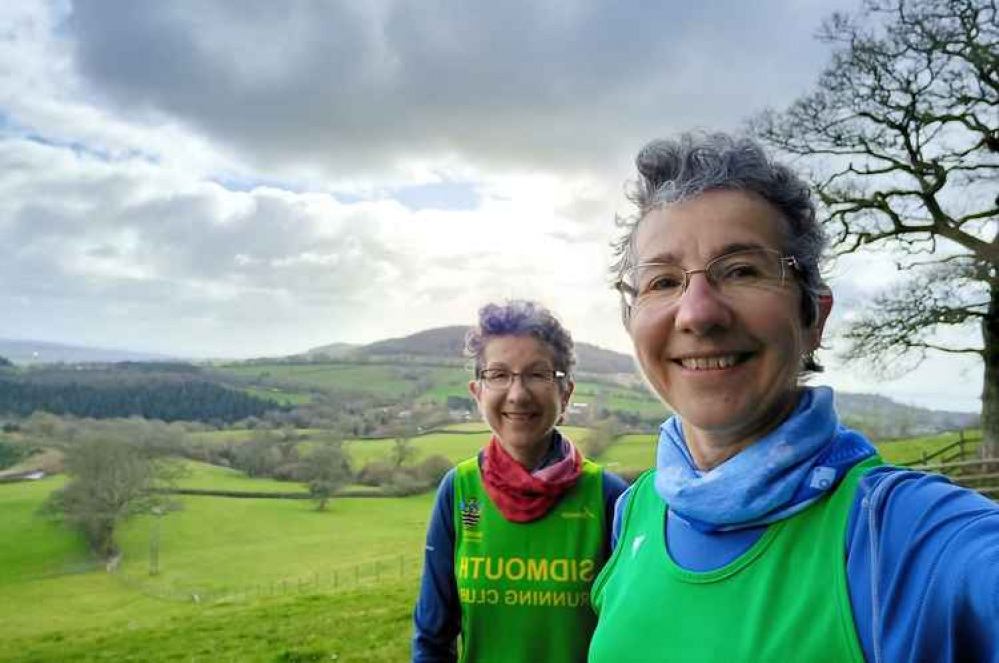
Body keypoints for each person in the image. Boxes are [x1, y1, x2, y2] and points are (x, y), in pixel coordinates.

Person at [587, 133, 999, 663]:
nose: (696, 313)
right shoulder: (636, 510)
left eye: (740, 270)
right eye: (662, 281)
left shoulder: (899, 534)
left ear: (814, 318)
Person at [412, 300, 628, 663]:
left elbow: (629, 638)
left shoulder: (610, 497)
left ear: (566, 392)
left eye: (537, 374)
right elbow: (432, 640)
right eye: (498, 374)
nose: (517, 393)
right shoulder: (458, 490)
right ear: (477, 391)